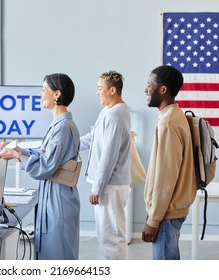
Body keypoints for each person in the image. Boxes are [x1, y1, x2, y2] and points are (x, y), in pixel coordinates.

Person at [0, 73, 81, 260]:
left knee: (57, 256)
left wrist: (16, 155)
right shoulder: (58, 125)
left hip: (59, 199)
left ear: (57, 94)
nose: (41, 94)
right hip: (54, 195)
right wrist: (16, 148)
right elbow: (44, 156)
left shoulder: (63, 127)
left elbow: (44, 167)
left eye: (44, 90)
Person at [142, 65, 196, 260]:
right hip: (171, 211)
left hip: (166, 214)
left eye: (149, 85)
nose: (145, 89)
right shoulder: (175, 116)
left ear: (163, 89)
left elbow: (166, 176)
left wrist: (154, 219)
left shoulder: (168, 123)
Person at [79, 70, 131, 260]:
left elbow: (109, 156)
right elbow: (93, 138)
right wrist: (69, 143)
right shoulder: (108, 111)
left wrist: (97, 188)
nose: (97, 92)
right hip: (108, 185)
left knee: (112, 239)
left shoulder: (116, 115)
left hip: (111, 186)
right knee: (105, 237)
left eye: (100, 88)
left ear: (112, 90)